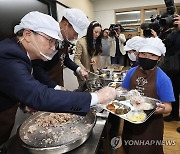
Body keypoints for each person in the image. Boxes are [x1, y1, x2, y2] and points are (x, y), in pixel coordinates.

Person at [0, 11, 119, 146]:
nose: (52, 48)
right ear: (27, 34)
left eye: (55, 42)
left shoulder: (19, 51)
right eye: (50, 41)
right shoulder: (9, 55)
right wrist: (96, 97)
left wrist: (24, 103)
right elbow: (37, 94)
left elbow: (12, 84)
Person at [121, 37, 175, 154]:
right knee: (128, 147)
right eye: (144, 54)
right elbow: (123, 90)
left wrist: (155, 110)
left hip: (151, 125)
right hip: (130, 120)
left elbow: (168, 107)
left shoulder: (163, 79)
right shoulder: (132, 72)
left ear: (159, 58)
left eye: (152, 55)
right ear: (138, 54)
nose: (147, 58)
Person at [32, 8, 90, 89]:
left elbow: (64, 58)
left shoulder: (65, 39)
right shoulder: (47, 38)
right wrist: (55, 87)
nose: (76, 37)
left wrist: (78, 69)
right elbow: (37, 69)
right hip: (44, 87)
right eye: (75, 33)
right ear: (66, 24)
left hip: (57, 81)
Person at [73, 21, 102, 85]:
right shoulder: (81, 42)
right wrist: (82, 69)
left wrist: (94, 58)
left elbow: (97, 54)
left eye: (99, 33)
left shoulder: (97, 41)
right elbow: (76, 59)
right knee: (85, 90)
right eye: (95, 32)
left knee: (94, 88)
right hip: (83, 71)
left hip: (94, 71)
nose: (97, 35)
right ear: (90, 31)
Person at [163, 14, 180, 122]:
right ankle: (174, 114)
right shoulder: (173, 32)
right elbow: (167, 46)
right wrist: (164, 31)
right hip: (174, 67)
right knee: (175, 91)